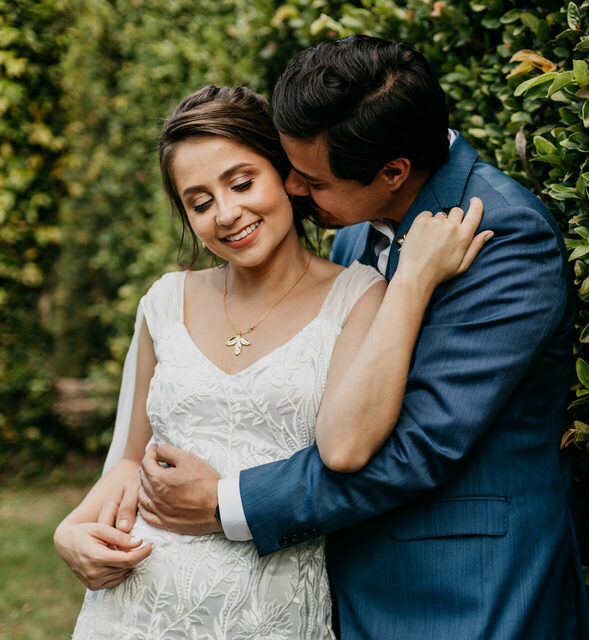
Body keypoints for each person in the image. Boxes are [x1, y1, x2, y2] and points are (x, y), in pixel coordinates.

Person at [54, 84, 489, 638]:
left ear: (286, 174)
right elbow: (127, 460)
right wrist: (69, 532)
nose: (228, 213)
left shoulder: (360, 296)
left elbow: (348, 446)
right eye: (200, 202)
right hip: (136, 611)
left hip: (269, 614)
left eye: (241, 182)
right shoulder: (164, 301)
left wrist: (413, 282)